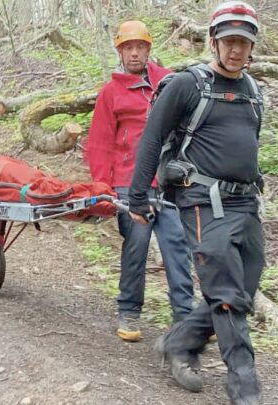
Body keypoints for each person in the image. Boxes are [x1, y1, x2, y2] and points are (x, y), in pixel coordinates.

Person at [128, 2, 265, 404]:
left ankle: (180, 342)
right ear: (214, 42)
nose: (236, 49)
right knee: (225, 293)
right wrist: (140, 194)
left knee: (244, 289)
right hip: (204, 202)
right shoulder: (189, 84)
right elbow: (152, 138)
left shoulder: (253, 90)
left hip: (246, 204)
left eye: (243, 42)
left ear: (252, 46)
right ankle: (244, 384)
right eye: (228, 41)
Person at [85, 20, 194, 342]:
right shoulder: (111, 93)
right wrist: (102, 186)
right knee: (136, 245)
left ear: (149, 49)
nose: (134, 53)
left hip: (169, 181)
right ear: (120, 52)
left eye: (140, 47)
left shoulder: (171, 82)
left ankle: (185, 316)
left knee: (177, 245)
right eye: (128, 48)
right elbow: (100, 142)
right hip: (128, 183)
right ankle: (129, 312)